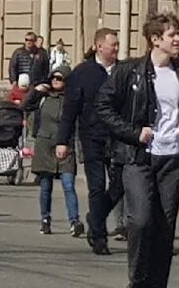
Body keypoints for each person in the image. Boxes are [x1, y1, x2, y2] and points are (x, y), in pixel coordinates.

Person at [95, 12, 179, 288]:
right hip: (138, 157)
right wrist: (134, 132)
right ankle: (138, 280)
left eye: (178, 33)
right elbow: (103, 106)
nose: (177, 39)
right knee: (140, 220)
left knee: (165, 225)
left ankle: (157, 282)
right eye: (171, 34)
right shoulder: (129, 71)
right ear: (155, 39)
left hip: (172, 157)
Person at [57, 27, 121, 255]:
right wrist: (62, 141)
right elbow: (70, 109)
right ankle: (99, 237)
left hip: (118, 138)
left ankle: (95, 217)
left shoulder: (122, 72)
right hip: (92, 136)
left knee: (120, 185)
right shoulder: (83, 73)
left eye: (117, 44)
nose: (116, 48)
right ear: (99, 46)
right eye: (112, 44)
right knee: (96, 186)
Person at [24, 65, 84, 236]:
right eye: (54, 78)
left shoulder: (72, 98)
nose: (56, 81)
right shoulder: (44, 97)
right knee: (45, 186)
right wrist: (35, 92)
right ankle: (45, 219)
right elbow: (25, 105)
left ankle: (74, 221)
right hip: (44, 145)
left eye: (60, 78)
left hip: (66, 145)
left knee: (68, 185)